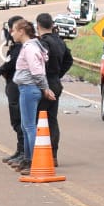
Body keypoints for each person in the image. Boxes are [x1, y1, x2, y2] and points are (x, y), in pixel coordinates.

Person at [10, 18, 56, 175]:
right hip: (28, 88)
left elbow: (36, 71)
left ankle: (34, 160)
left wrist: (45, 88)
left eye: (14, 30)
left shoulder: (29, 48)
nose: (12, 33)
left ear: (22, 31)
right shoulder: (33, 45)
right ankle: (28, 159)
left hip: (29, 88)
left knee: (29, 127)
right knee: (26, 126)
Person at [0, 15, 27, 166]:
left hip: (17, 86)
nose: (9, 34)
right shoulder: (18, 47)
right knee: (18, 120)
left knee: (19, 120)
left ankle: (24, 153)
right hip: (15, 84)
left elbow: (9, 65)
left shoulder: (20, 48)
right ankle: (21, 151)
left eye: (11, 30)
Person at [36, 13, 72, 162]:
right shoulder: (60, 41)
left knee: (39, 119)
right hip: (55, 82)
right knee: (51, 119)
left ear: (38, 26)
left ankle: (41, 154)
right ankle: (53, 154)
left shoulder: (42, 43)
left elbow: (39, 63)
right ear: (52, 25)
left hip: (45, 83)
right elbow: (69, 60)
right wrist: (58, 74)